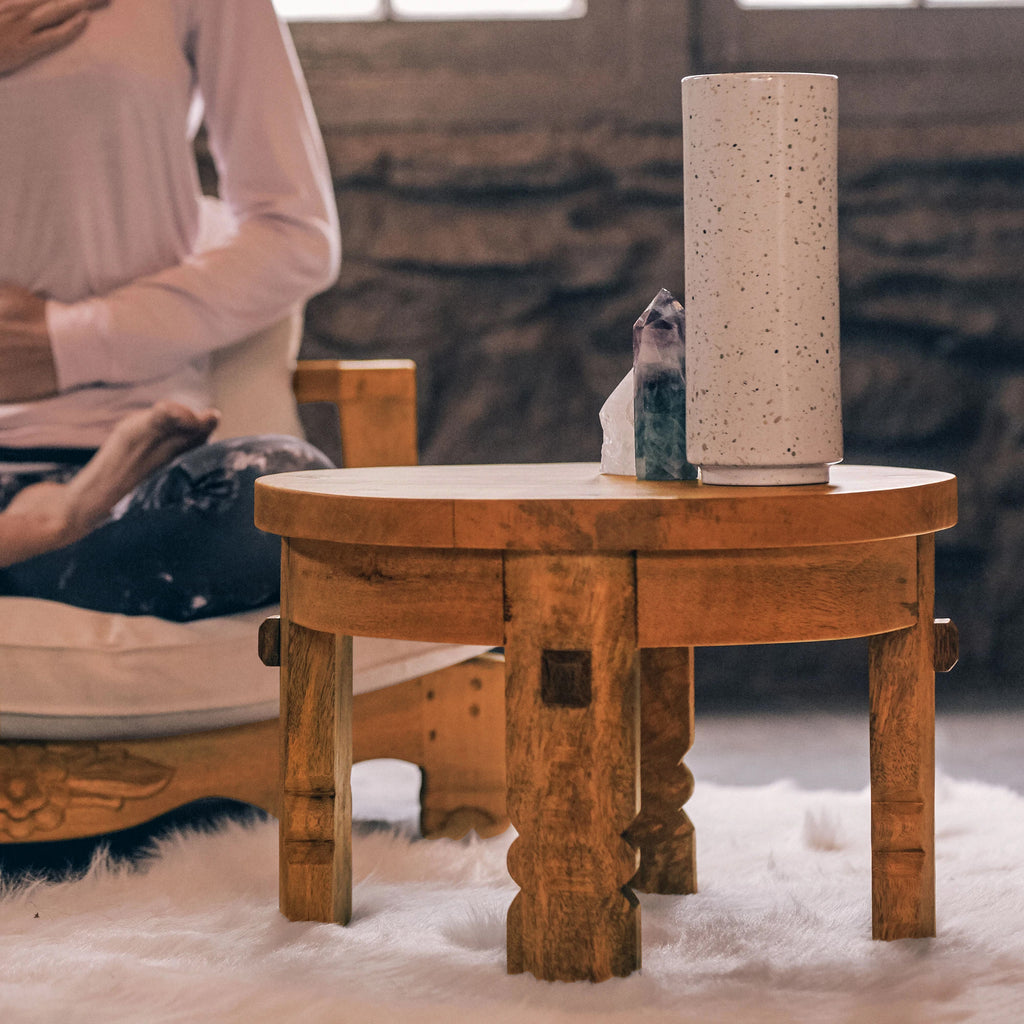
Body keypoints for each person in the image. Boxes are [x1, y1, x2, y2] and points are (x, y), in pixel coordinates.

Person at [0, 0, 340, 619]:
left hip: (127, 477)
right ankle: (43, 539)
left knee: (281, 494)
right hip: (64, 516)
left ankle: (45, 542)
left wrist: (69, 343)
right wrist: (59, 521)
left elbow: (297, 237)